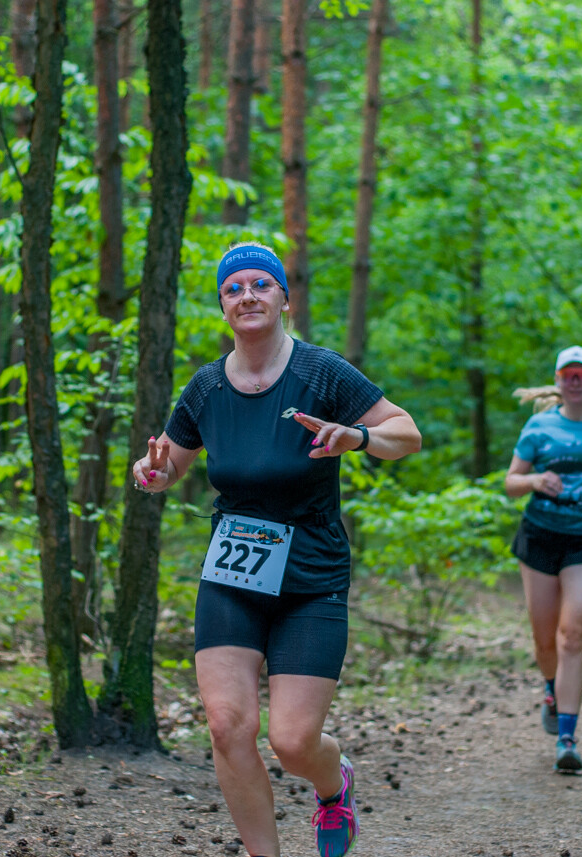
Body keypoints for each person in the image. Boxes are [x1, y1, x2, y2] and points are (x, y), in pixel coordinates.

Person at [130, 242, 421, 857]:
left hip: (312, 576)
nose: (248, 296)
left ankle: (333, 782)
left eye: (261, 284)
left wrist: (361, 435)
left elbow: (406, 433)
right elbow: (168, 464)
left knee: (292, 743)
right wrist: (151, 473)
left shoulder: (321, 373)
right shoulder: (207, 387)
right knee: (228, 726)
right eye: (234, 289)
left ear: (284, 297)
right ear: (223, 306)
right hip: (234, 575)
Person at [505, 346, 582, 773]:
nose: (575, 382)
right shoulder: (539, 426)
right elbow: (511, 482)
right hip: (540, 538)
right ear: (558, 382)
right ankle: (551, 689)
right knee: (545, 639)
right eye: (568, 375)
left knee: (572, 634)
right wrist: (536, 478)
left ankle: (568, 737)